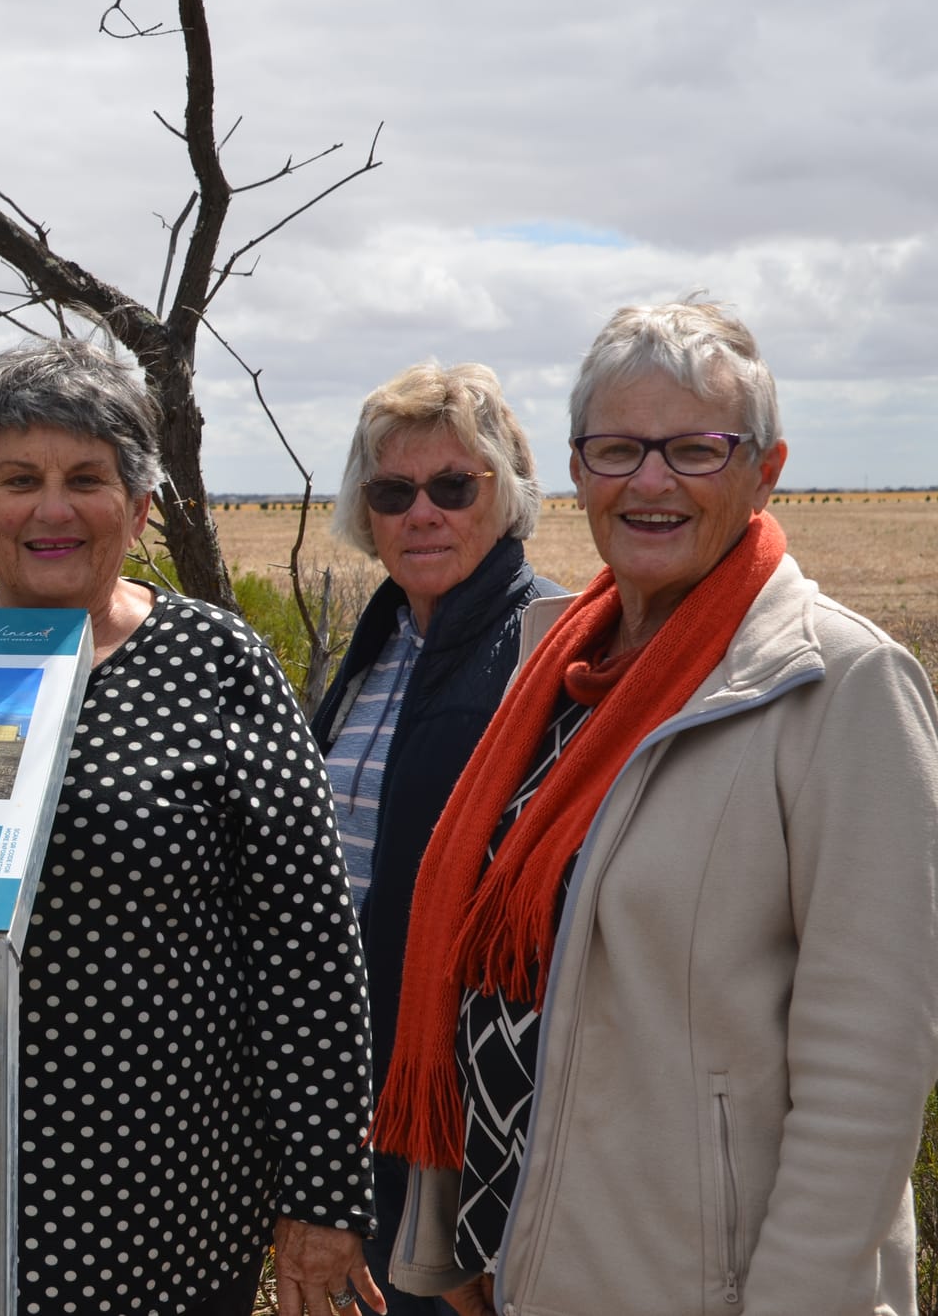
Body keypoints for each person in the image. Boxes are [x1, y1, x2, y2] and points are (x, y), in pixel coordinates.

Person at [0, 338, 383, 1316]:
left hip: (170, 1225)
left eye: (85, 477)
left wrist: (321, 1195)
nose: (52, 508)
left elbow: (305, 948)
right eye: (18, 479)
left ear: (136, 506)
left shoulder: (217, 664)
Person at [371, 297, 938, 1314]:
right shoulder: (556, 669)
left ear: (763, 469)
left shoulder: (838, 683)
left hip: (691, 1284)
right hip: (522, 1261)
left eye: (692, 450)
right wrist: (456, 1233)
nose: (648, 482)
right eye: (618, 448)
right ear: (578, 472)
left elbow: (868, 1063)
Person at [308, 362, 560, 1315]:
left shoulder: (551, 644)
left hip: (463, 1130)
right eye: (392, 491)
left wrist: (478, 1207)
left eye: (454, 487)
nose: (423, 513)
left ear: (510, 494)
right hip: (353, 1094)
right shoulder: (381, 640)